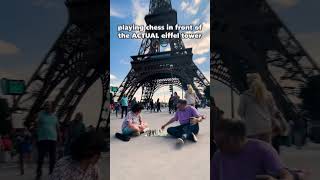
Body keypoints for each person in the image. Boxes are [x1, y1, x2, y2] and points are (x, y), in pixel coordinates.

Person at [212, 119, 293, 180]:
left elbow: (285, 174)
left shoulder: (263, 150)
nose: (219, 147)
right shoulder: (218, 155)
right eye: (216, 142)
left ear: (236, 138)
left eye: (221, 142)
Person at [238, 73, 283, 144]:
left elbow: (240, 112)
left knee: (253, 151)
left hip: (251, 128)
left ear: (249, 83)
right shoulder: (268, 94)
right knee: (266, 150)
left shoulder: (245, 95)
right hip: (266, 127)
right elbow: (273, 111)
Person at [36, 101, 59, 179]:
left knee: (53, 158)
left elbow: (57, 128)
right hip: (43, 139)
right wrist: (37, 136)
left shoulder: (55, 116)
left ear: (52, 107)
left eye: (49, 106)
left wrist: (60, 137)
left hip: (53, 139)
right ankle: (39, 172)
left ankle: (51, 173)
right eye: (46, 105)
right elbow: (37, 126)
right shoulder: (40, 115)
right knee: (41, 157)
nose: (47, 107)